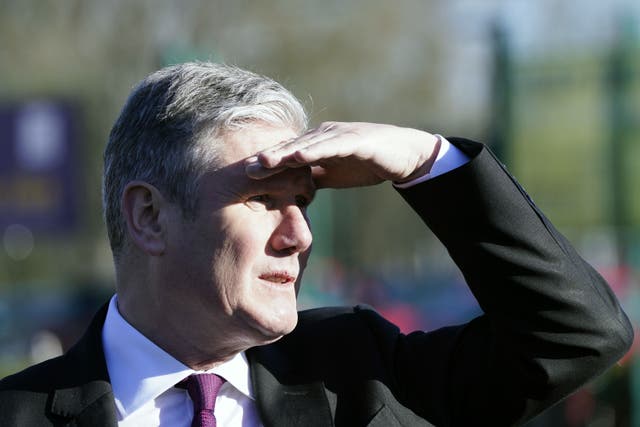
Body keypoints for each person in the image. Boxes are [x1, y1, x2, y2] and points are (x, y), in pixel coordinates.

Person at [0, 62, 632, 427]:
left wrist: (424, 161)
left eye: (302, 202)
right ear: (149, 216)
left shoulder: (360, 374)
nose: (299, 235)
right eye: (265, 200)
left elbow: (577, 335)